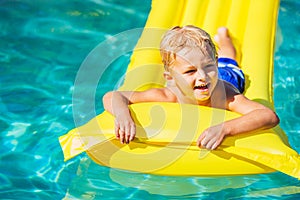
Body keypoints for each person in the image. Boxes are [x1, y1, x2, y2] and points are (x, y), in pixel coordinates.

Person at [102, 25, 279, 150]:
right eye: (190, 71)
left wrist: (225, 128)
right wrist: (122, 115)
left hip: (227, 76)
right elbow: (113, 96)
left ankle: (224, 40)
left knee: (229, 60)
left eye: (209, 67)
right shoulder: (168, 95)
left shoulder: (226, 95)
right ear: (170, 78)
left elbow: (268, 116)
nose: (202, 76)